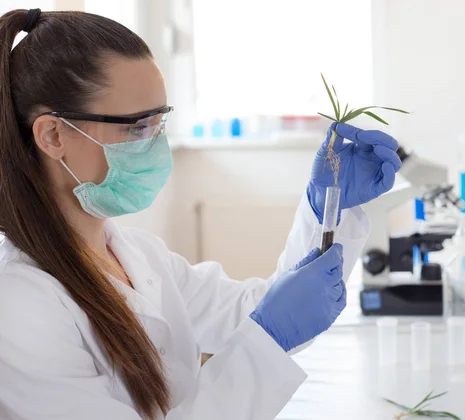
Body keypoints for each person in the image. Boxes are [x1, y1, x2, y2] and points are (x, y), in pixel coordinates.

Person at [0, 8, 401, 420]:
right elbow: (269, 332)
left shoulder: (136, 255)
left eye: (160, 123)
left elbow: (269, 313)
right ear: (52, 135)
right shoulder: (18, 303)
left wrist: (329, 210)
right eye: (138, 127)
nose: (156, 145)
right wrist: (269, 335)